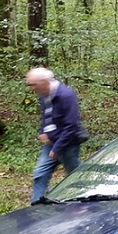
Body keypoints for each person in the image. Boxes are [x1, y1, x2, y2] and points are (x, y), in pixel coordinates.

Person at [25, 67, 84, 203]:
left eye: (33, 84)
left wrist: (57, 148)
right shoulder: (43, 95)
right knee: (40, 174)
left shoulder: (66, 95)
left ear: (44, 82)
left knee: (74, 176)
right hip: (51, 143)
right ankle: (37, 204)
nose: (31, 88)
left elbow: (72, 125)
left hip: (68, 144)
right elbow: (46, 117)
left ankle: (86, 200)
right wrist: (43, 132)